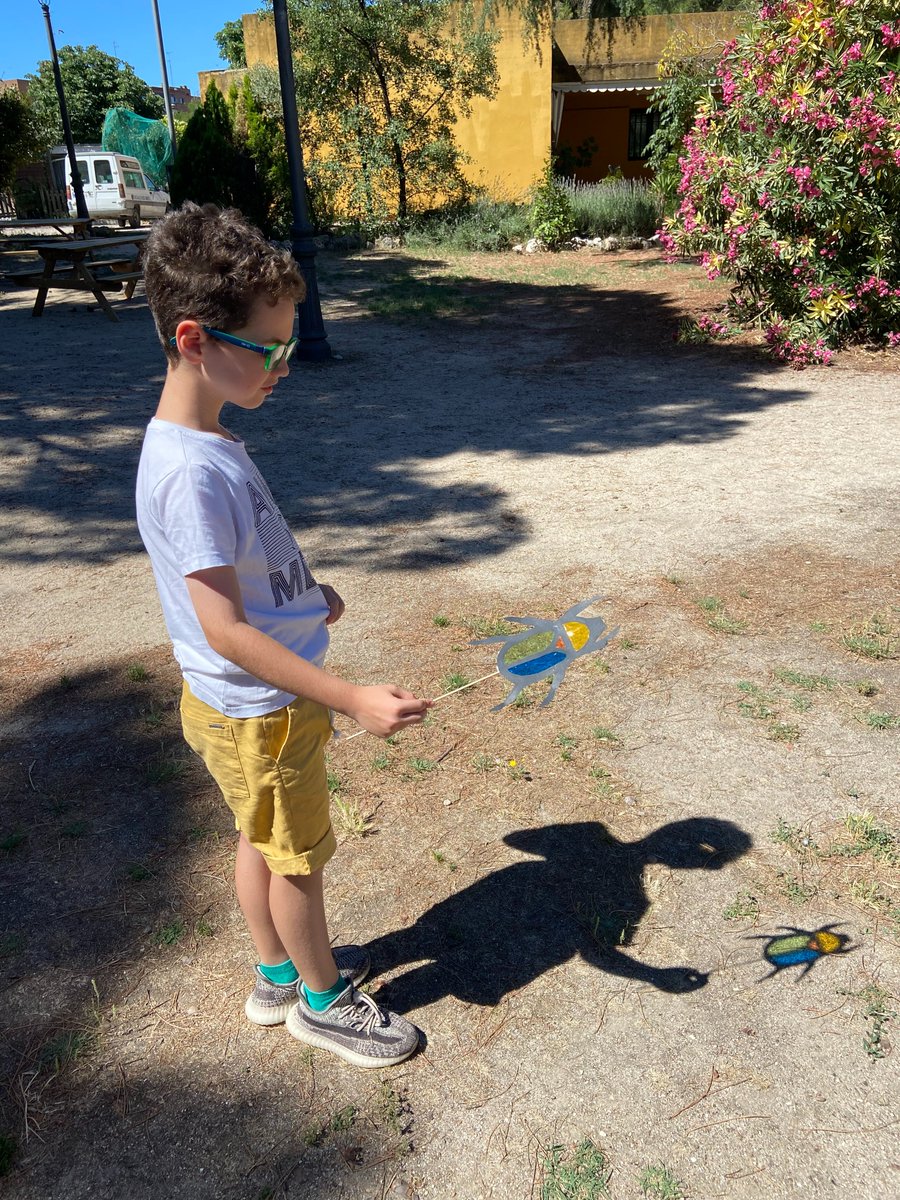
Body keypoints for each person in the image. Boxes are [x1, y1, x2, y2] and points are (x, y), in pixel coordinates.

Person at [136, 202, 431, 1068]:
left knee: (259, 841)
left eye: (290, 344)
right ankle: (324, 1000)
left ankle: (276, 974)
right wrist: (350, 697)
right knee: (297, 859)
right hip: (264, 709)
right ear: (195, 339)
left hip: (250, 707)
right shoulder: (189, 473)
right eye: (271, 349)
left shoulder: (207, 439)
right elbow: (223, 629)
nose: (286, 366)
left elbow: (244, 587)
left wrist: (309, 599)